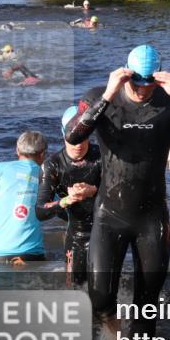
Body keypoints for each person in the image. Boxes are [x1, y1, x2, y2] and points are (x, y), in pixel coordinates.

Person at [66, 45, 170, 340]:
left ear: (158, 78)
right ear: (126, 74)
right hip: (110, 214)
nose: (142, 91)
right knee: (100, 297)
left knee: (148, 303)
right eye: (136, 83)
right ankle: (113, 330)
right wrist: (108, 96)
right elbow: (73, 136)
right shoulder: (98, 97)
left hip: (152, 217)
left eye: (149, 85)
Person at [37, 106, 102, 286]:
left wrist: (94, 191)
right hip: (77, 234)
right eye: (72, 137)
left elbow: (122, 196)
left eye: (83, 137)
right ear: (63, 133)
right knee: (73, 288)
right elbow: (40, 211)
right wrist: (67, 200)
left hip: (106, 232)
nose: (78, 144)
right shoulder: (53, 165)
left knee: (104, 290)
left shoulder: (102, 157)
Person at [0, 131, 48, 264]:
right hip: (31, 254)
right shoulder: (46, 174)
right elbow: (59, 207)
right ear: (43, 154)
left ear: (17, 150)